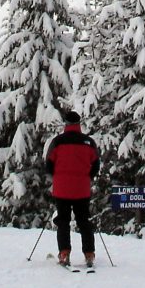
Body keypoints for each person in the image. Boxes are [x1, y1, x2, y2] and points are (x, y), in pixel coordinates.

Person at [45, 109, 100, 269]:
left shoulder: (58, 142)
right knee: (84, 221)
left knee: (63, 221)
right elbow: (96, 165)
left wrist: (57, 175)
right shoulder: (88, 142)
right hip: (82, 189)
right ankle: (89, 254)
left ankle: (64, 253)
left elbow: (48, 164)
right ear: (79, 124)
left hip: (62, 189)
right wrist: (87, 177)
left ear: (66, 124)